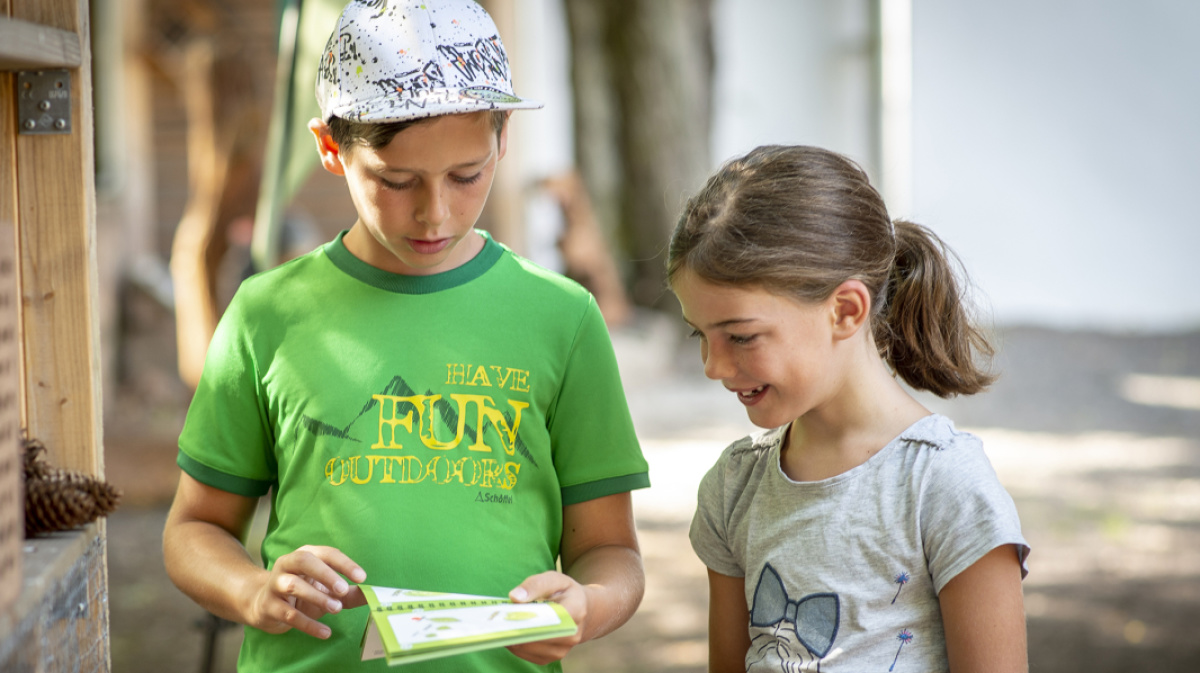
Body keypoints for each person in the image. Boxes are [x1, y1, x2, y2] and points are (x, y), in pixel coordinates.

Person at [162, 1, 650, 671]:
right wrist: (251, 588)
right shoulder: (267, 312)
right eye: (397, 181)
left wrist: (588, 604)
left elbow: (613, 551)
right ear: (331, 148)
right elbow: (194, 528)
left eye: (467, 175)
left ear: (502, 141)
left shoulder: (562, 318)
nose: (435, 212)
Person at [668, 145, 1030, 672]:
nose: (713, 366)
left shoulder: (943, 485)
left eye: (740, 337)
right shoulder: (734, 486)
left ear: (845, 310)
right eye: (700, 335)